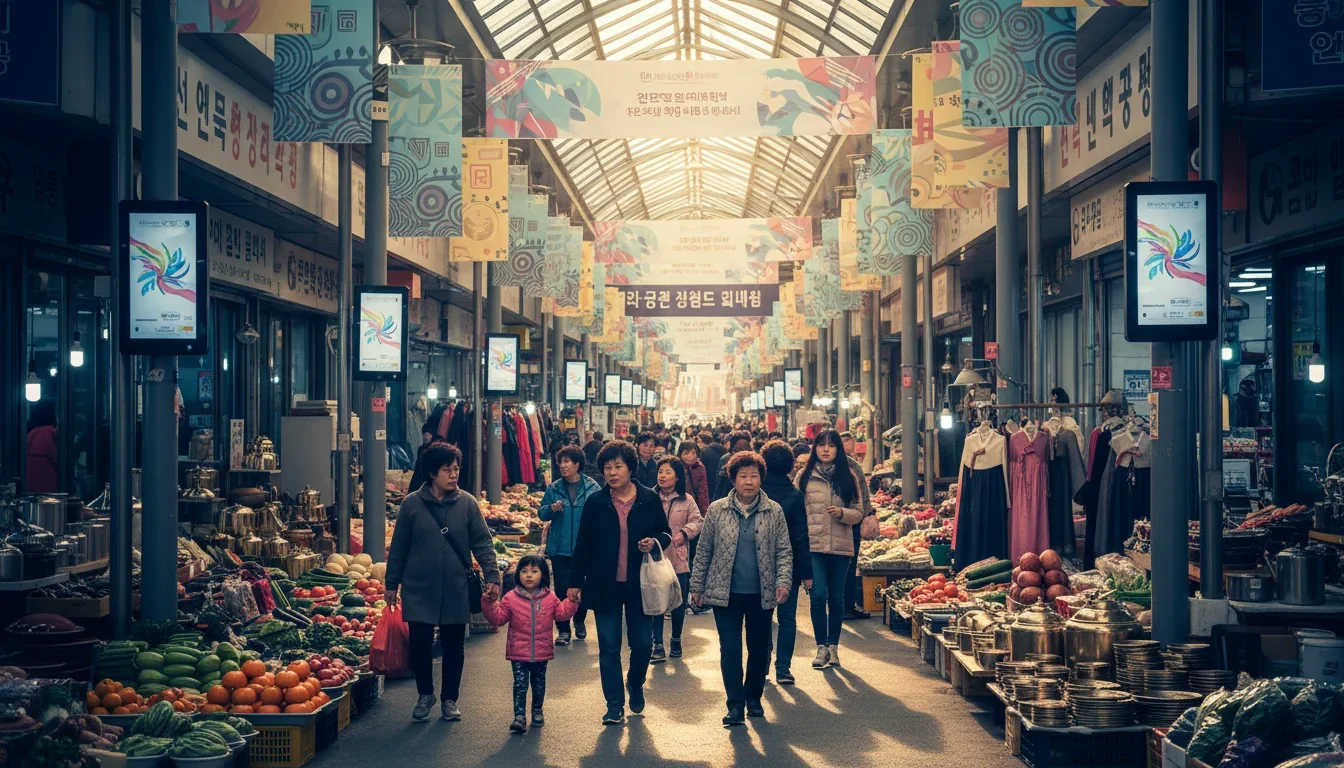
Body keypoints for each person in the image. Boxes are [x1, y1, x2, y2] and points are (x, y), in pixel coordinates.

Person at [386, 444, 500, 722]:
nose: (453, 474)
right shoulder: (412, 504)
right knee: (420, 643)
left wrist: (493, 575)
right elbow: (398, 547)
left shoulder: (468, 503)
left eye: (456, 468)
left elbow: (482, 543)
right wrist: (392, 584)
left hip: (455, 585)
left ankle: (450, 699)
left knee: (453, 645)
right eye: (447, 469)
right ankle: (425, 694)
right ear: (432, 472)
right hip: (418, 586)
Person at [567, 440, 673, 725]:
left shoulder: (648, 499)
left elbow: (666, 533)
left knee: (642, 645)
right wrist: (575, 583)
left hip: (641, 586)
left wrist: (654, 542)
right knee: (609, 648)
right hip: (605, 584)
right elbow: (583, 545)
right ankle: (614, 704)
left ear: (630, 468)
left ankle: (635, 682)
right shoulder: (596, 502)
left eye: (618, 466)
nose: (612, 472)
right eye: (607, 467)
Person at [689, 451, 793, 726]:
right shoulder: (717, 509)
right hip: (726, 592)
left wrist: (783, 582)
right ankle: (734, 704)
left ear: (762, 479)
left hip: (762, 592)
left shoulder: (774, 511)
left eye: (754, 476)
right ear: (733, 478)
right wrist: (696, 586)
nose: (749, 481)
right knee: (731, 649)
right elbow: (704, 550)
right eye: (743, 476)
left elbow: (784, 550)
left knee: (759, 649)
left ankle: (754, 698)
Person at [480, 555, 579, 734]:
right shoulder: (511, 598)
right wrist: (489, 602)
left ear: (543, 575)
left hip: (542, 652)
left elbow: (562, 614)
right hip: (518, 652)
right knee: (520, 684)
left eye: (534, 571)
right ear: (518, 574)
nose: (529, 575)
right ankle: (519, 716)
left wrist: (571, 602)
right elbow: (498, 618)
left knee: (538, 683)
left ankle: (537, 711)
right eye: (524, 571)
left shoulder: (550, 598)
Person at [795, 430, 864, 669]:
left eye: (831, 446)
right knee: (818, 595)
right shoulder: (804, 477)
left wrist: (843, 513)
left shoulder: (849, 477)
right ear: (815, 449)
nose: (826, 449)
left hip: (840, 546)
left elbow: (859, 512)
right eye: (821, 445)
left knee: (836, 598)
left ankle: (833, 647)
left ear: (838, 450)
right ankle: (821, 646)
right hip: (813, 546)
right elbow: (796, 511)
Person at [759, 440, 813, 684]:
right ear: (790, 465)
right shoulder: (794, 495)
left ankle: (763, 664)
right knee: (788, 617)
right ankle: (783, 668)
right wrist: (806, 572)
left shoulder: (757, 494)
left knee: (762, 617)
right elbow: (801, 536)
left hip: (758, 564)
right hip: (787, 564)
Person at [538, 445, 601, 644]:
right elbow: (542, 513)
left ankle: (580, 620)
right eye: (561, 462)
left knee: (582, 587)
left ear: (577, 464)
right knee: (562, 589)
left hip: (584, 549)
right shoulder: (554, 488)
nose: (563, 466)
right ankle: (563, 629)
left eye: (567, 462)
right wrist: (551, 508)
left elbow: (602, 514)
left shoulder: (592, 488)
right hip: (559, 547)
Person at [650, 456, 703, 662]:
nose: (662, 476)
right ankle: (658, 644)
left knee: (678, 602)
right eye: (660, 471)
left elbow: (697, 521)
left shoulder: (687, 500)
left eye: (668, 472)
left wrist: (684, 532)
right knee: (657, 601)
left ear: (677, 477)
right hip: (654, 557)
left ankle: (676, 639)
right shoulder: (649, 497)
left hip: (678, 557)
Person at [839, 431, 875, 621]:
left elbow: (863, 493)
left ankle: (845, 605)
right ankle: (844, 606)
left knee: (846, 565)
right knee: (845, 566)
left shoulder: (851, 466)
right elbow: (864, 496)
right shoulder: (851, 466)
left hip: (847, 521)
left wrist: (867, 512)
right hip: (842, 522)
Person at [25, 399, 59, 494]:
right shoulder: (52, 433)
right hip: (50, 487)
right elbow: (58, 460)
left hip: (28, 486)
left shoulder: (30, 434)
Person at [713, 431, 754, 501]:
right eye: (739, 450)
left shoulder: (754, 462)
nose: (743, 454)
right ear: (733, 451)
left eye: (746, 450)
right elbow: (719, 486)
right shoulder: (725, 460)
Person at [679, 441, 711, 516]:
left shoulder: (700, 468)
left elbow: (703, 490)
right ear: (680, 454)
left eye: (693, 453)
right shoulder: (676, 467)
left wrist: (704, 511)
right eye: (686, 453)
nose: (690, 456)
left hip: (695, 506)